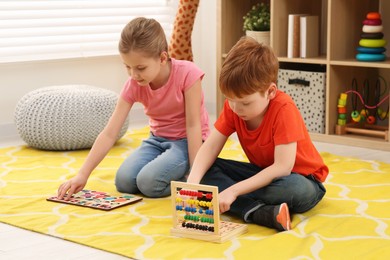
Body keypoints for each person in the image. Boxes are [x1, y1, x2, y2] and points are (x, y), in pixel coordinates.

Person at [58, 17, 210, 199]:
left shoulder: (188, 74)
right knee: (124, 182)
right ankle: (167, 171)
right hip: (156, 140)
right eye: (127, 67)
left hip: (188, 142)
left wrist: (194, 175)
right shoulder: (134, 84)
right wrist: (82, 174)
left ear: (162, 58)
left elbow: (194, 126)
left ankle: (191, 174)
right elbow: (109, 133)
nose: (133, 75)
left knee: (148, 183)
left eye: (140, 67)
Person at [187, 36, 328, 232]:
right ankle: (256, 211)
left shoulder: (283, 109)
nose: (236, 108)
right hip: (262, 173)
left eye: (245, 103)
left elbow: (282, 167)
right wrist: (192, 183)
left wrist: (234, 190)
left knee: (291, 189)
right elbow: (210, 147)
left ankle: (237, 200)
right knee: (201, 169)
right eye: (229, 99)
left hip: (301, 179)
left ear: (270, 92)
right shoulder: (234, 107)